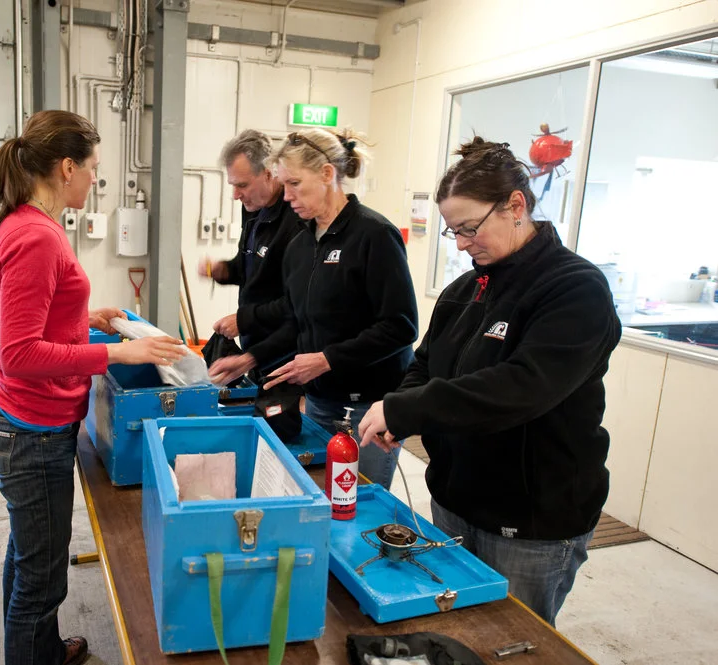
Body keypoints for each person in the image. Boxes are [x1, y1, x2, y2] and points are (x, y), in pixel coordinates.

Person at [357, 137, 622, 626]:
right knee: (455, 629)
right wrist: (400, 402)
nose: (460, 244)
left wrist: (409, 410)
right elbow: (427, 362)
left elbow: (522, 386)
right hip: (456, 499)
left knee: (508, 640)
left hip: (531, 518)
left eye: (469, 228)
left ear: (515, 206)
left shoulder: (574, 288)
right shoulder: (466, 288)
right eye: (452, 232)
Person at [0, 110, 185, 665]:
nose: (96, 179)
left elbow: (32, 321)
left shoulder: (29, 225)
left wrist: (86, 318)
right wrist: (117, 351)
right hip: (31, 428)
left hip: (27, 420)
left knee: (30, 554)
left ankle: (42, 650)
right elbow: (18, 353)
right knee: (42, 580)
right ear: (66, 167)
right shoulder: (36, 238)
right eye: (92, 168)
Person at [209, 128, 418, 488]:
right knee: (317, 494)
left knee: (359, 501)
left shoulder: (373, 235)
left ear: (326, 174)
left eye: (294, 184)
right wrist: (251, 357)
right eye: (283, 184)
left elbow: (401, 327)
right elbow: (296, 318)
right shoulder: (301, 244)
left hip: (370, 404)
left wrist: (327, 359)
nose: (286, 196)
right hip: (321, 400)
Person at [198, 129, 305, 351]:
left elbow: (298, 302)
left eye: (242, 185)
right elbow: (250, 267)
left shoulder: (297, 220)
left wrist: (244, 320)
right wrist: (224, 270)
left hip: (288, 351)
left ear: (269, 174)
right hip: (257, 344)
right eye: (233, 185)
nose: (235, 195)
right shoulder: (254, 208)